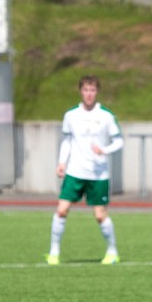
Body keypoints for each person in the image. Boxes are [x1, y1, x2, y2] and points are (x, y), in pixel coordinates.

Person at [46, 75, 123, 266]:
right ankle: (54, 253)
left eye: (93, 90)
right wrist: (62, 162)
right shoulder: (71, 115)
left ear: (97, 92)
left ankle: (112, 252)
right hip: (75, 171)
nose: (89, 94)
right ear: (80, 91)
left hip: (98, 174)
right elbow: (67, 140)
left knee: (100, 215)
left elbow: (119, 141)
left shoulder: (106, 116)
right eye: (86, 90)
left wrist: (104, 150)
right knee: (62, 210)